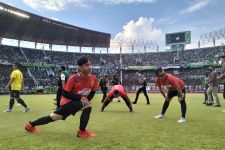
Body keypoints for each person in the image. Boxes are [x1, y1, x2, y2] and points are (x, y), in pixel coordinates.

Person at [25, 56, 98, 137]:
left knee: (53, 117)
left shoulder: (93, 78)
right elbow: (65, 94)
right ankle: (82, 131)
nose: (90, 67)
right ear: (80, 67)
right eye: (87, 65)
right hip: (67, 102)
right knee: (88, 106)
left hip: (77, 103)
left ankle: (30, 125)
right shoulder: (73, 78)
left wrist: (86, 99)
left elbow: (93, 91)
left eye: (90, 64)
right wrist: (81, 98)